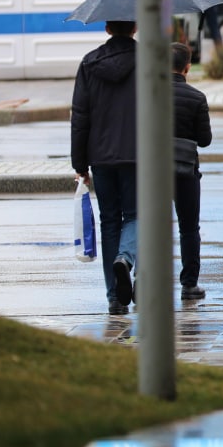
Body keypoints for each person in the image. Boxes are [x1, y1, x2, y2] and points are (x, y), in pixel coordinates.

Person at [70, 20, 139, 315]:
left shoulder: (89, 64)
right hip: (139, 154)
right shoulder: (149, 60)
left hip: (100, 157)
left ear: (108, 28)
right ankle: (125, 258)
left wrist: (80, 163)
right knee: (137, 215)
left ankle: (114, 297)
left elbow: (80, 116)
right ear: (135, 28)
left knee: (109, 220)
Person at [170, 42, 212, 300]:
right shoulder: (197, 98)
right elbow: (205, 139)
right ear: (188, 67)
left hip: (153, 169)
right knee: (188, 227)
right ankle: (189, 284)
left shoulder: (147, 94)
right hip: (185, 169)